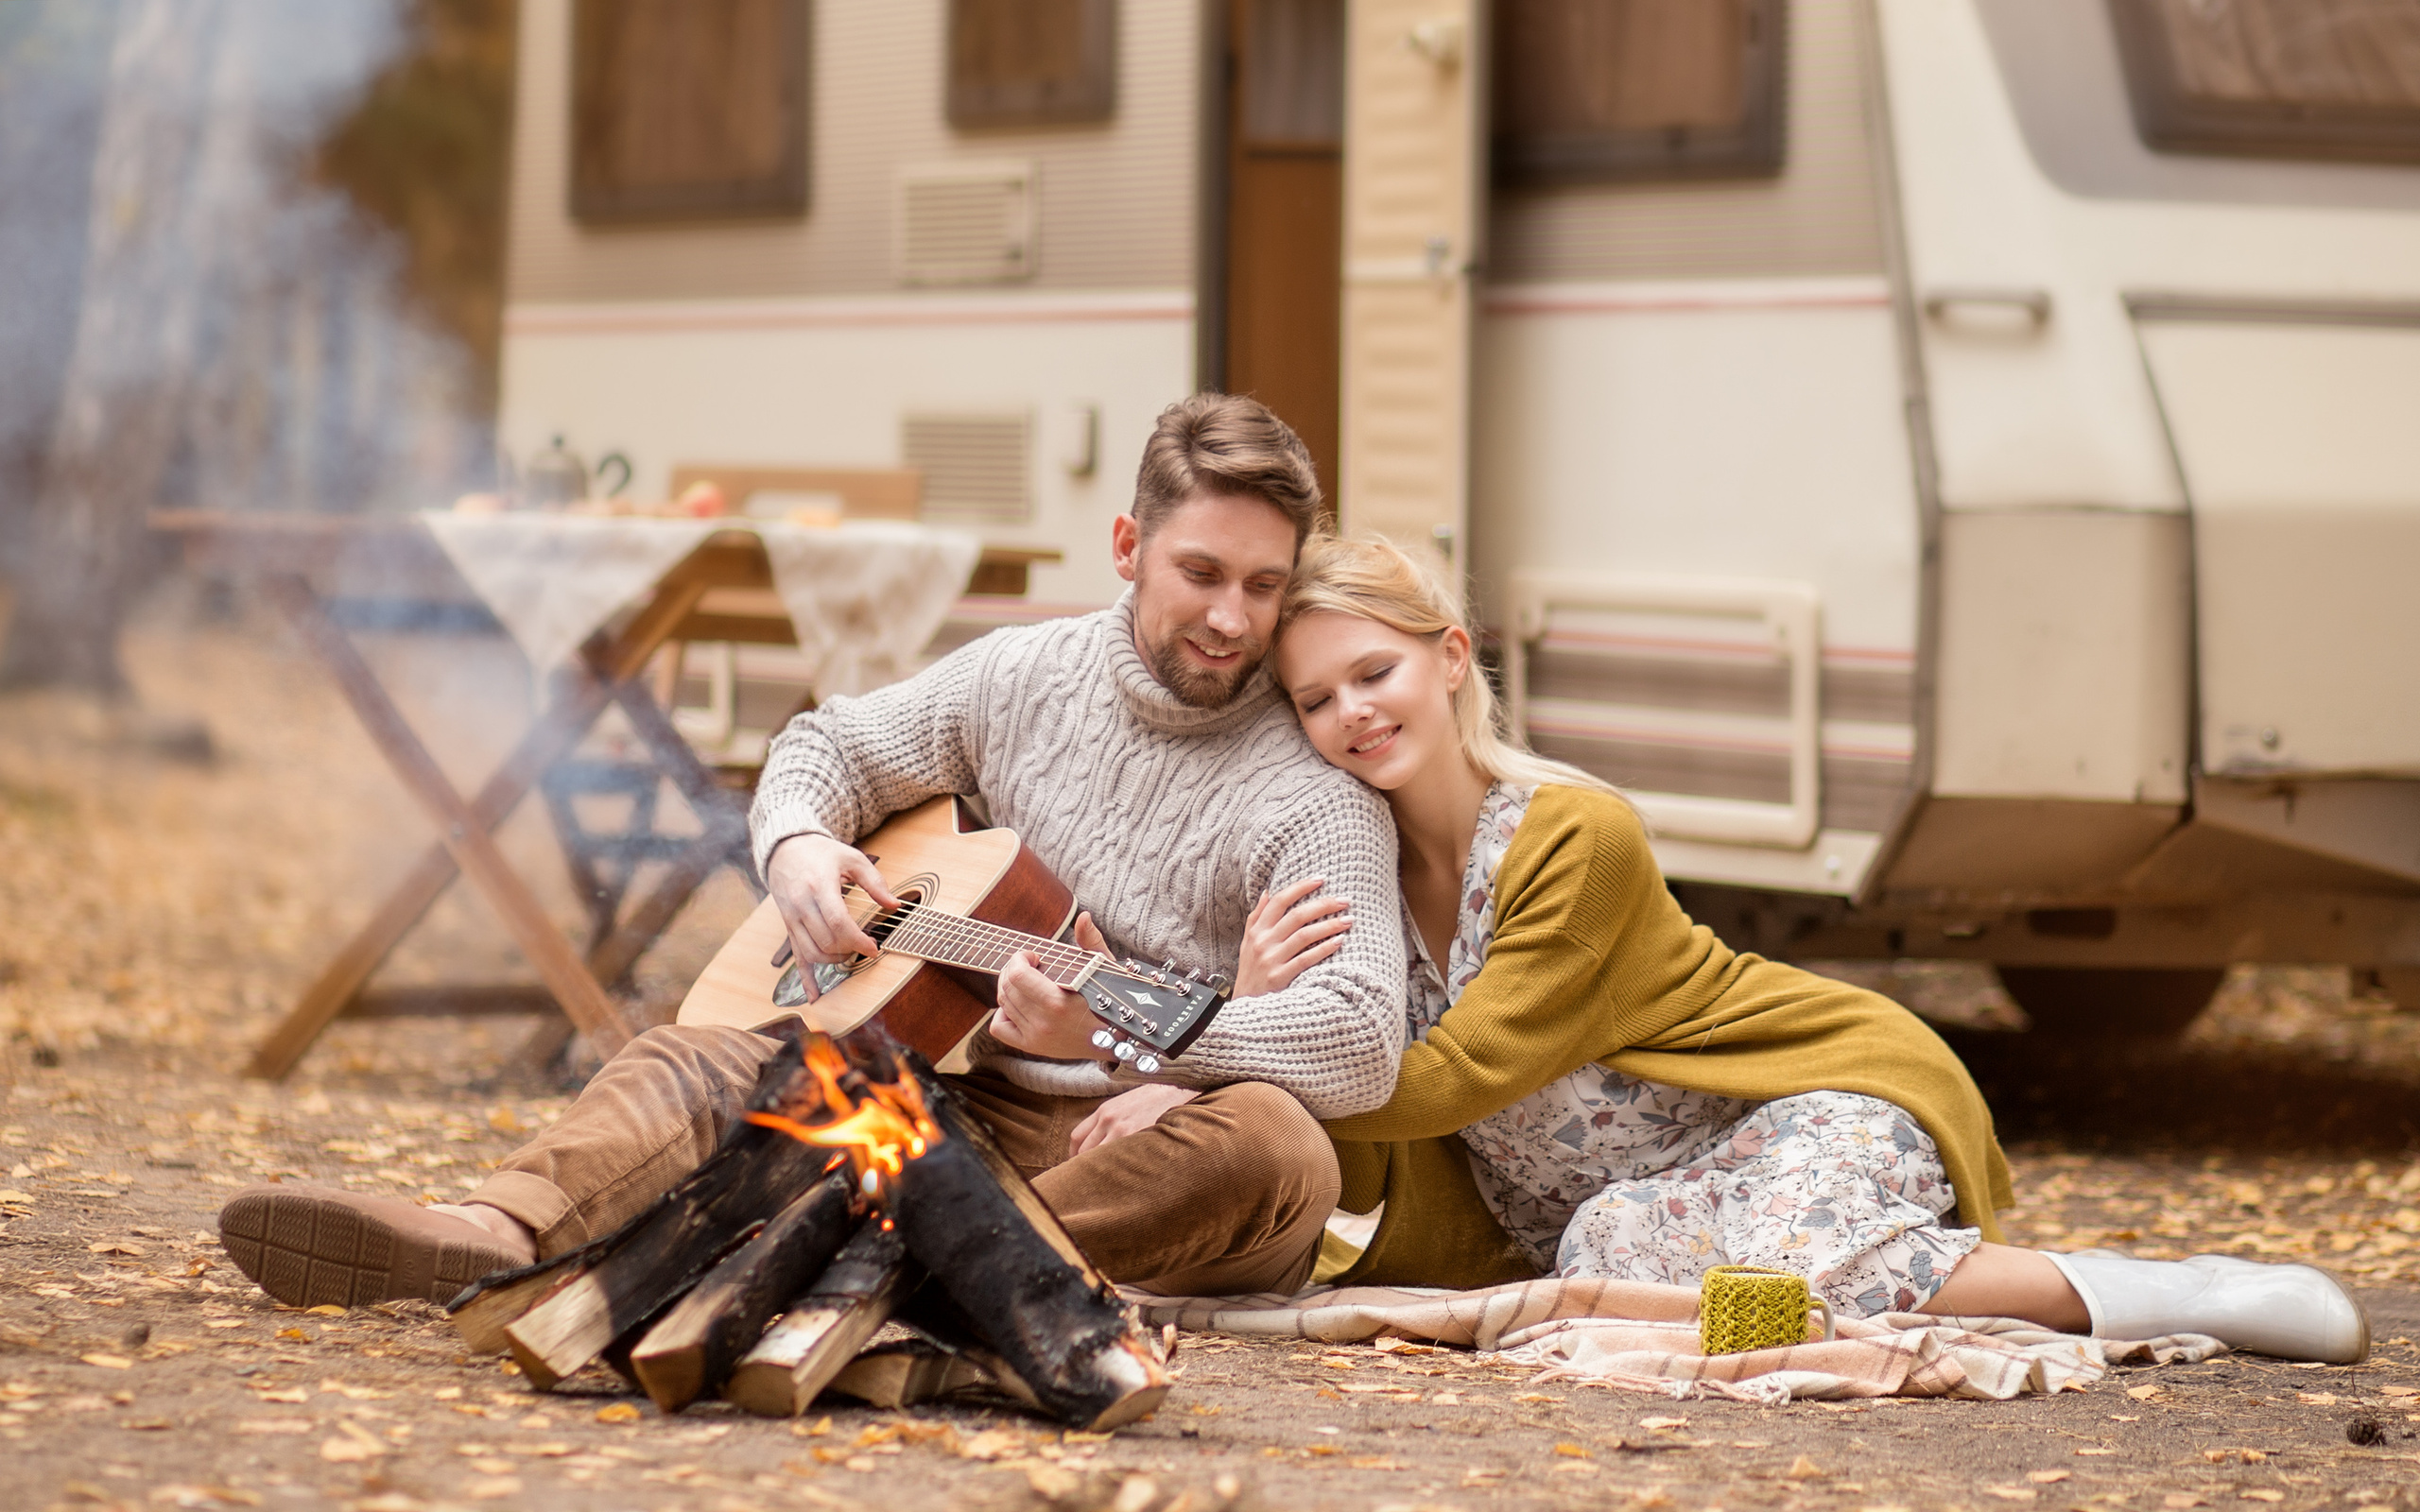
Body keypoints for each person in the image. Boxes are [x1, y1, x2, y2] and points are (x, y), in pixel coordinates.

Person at [219, 395, 1409, 1308]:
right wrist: (792, 848)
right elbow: (828, 747)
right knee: (698, 1051)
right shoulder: (1019, 678)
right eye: (1200, 573)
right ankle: (490, 1234)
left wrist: (1137, 1048)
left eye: (1263, 586)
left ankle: (864, 1270)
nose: (1230, 620)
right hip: (941, 1095)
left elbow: (1360, 1045)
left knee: (1278, 1148)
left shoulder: (1311, 792)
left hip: (1116, 1161)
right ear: (1126, 546)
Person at [1236, 533, 2368, 1363]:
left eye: (1372, 674)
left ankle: (2155, 1291)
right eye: (1314, 700)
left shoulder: (1574, 835)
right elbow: (1373, 1137)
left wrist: (1237, 1049)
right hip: (1615, 1210)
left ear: (1448, 658)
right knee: (1639, 1294)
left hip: (1789, 1114)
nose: (1350, 715)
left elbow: (1454, 1077)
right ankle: (2058, 1287)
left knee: (1794, 1270)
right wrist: (1251, 1010)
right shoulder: (1356, 875)